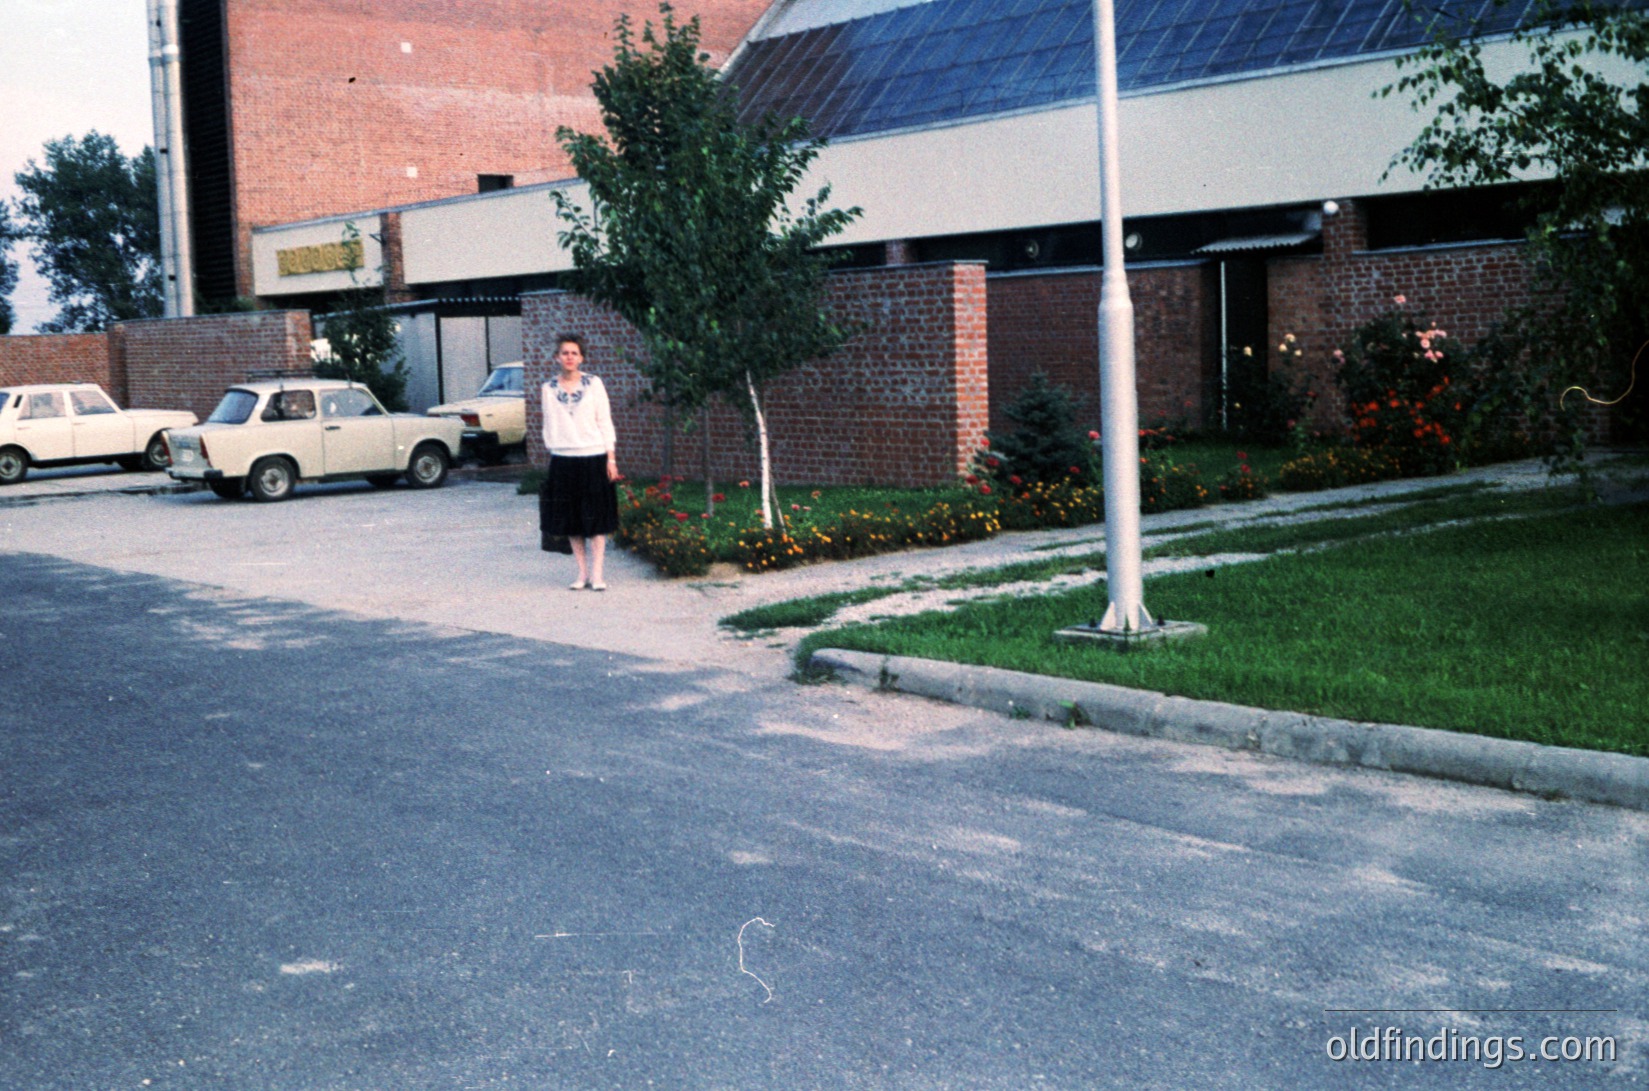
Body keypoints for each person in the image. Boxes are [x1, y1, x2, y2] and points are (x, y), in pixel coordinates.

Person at [538, 334, 620, 590]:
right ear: (557, 357)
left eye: (574, 353)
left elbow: (604, 420)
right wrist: (554, 450)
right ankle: (582, 574)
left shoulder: (594, 384)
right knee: (572, 520)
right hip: (563, 459)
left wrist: (611, 458)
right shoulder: (548, 389)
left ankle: (597, 575)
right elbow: (548, 424)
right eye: (565, 353)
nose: (569, 357)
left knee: (596, 519)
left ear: (581, 357)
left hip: (593, 457)